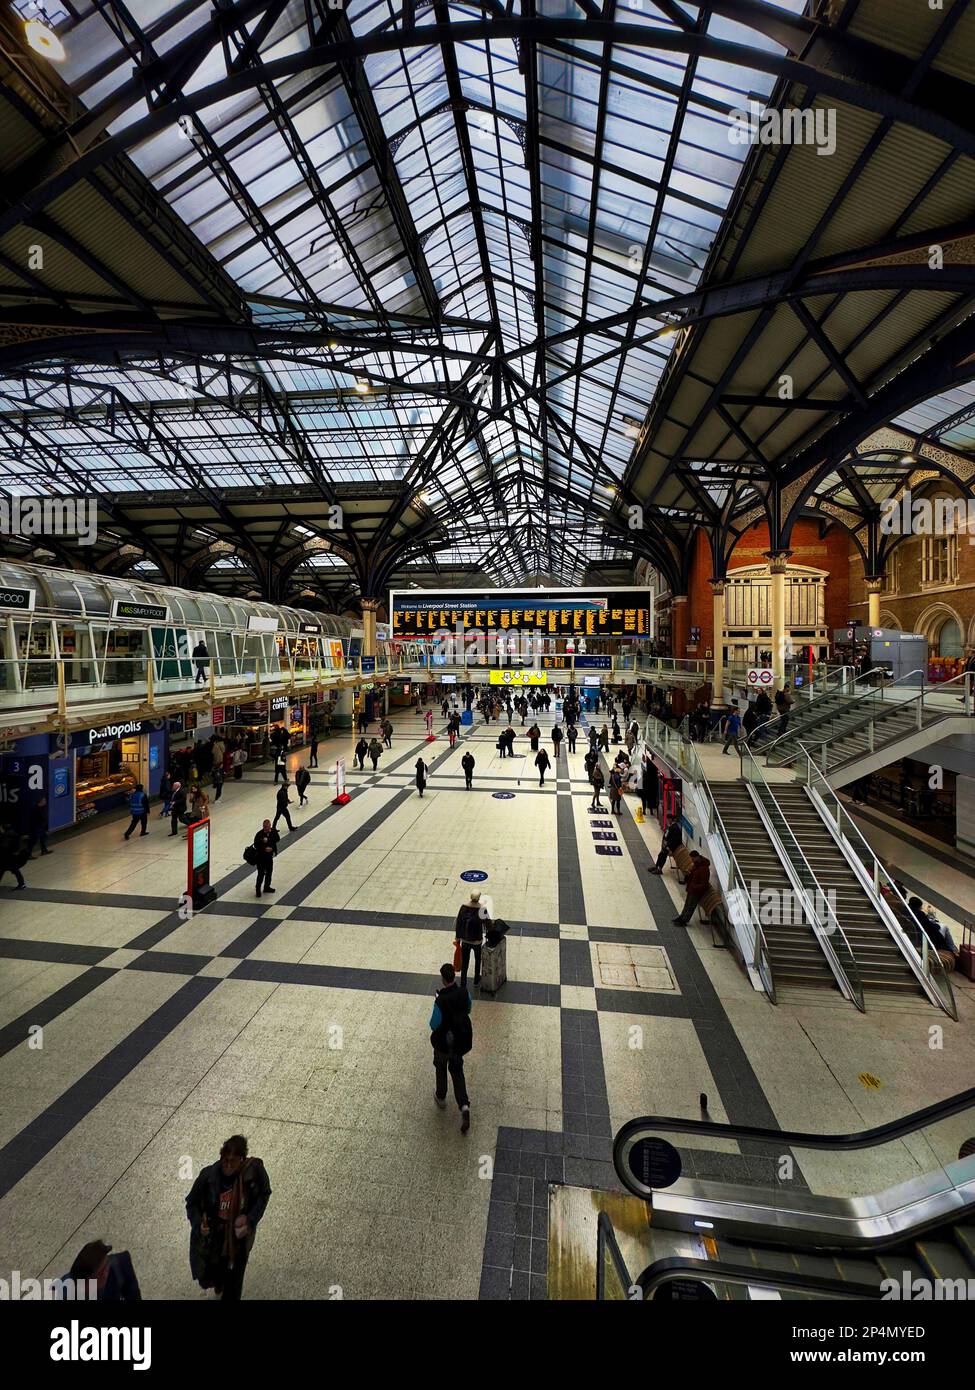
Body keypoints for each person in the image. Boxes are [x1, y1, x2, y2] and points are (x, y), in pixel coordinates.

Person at [186, 1135, 272, 1300]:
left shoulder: (254, 1172)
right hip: (215, 1239)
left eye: (233, 1161)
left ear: (242, 1159)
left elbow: (264, 1193)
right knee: (209, 1276)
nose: (228, 1165)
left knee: (234, 1282)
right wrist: (198, 1224)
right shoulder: (209, 1177)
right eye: (225, 1160)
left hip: (238, 1239)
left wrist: (250, 1219)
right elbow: (191, 1202)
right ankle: (219, 1281)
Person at [430, 963, 472, 1134]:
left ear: (442, 979)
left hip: (442, 1044)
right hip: (459, 1042)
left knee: (440, 1068)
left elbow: (434, 1024)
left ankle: (441, 1097)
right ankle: (463, 1105)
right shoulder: (464, 992)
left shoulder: (440, 1000)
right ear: (453, 976)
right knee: (457, 1071)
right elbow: (468, 1008)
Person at [58, 1239, 141, 1302]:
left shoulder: (120, 1264)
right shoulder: (66, 1289)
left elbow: (133, 1295)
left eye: (107, 1264)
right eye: (100, 1273)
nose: (106, 1273)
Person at [455, 890, 487, 988]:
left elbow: (459, 923)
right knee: (478, 960)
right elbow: (487, 923)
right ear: (479, 898)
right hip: (477, 941)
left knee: (465, 962)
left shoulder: (464, 907)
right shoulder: (481, 909)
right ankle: (476, 980)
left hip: (465, 940)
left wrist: (458, 938)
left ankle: (463, 983)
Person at [674, 850, 710, 925]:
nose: (692, 861)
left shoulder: (704, 869)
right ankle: (682, 917)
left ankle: (684, 920)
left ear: (697, 857)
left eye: (693, 859)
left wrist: (694, 887)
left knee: (691, 906)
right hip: (692, 888)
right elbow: (693, 875)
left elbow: (704, 884)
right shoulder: (696, 865)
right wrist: (688, 873)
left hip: (696, 890)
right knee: (687, 904)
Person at [252, 819, 279, 896]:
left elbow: (277, 839)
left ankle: (267, 887)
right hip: (260, 858)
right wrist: (264, 848)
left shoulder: (273, 832)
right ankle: (258, 889)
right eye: (265, 827)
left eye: (268, 827)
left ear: (270, 826)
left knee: (269, 872)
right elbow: (256, 845)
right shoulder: (259, 834)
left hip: (269, 857)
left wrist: (269, 843)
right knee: (261, 873)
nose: (266, 828)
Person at [0, 822, 27, 890]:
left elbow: (4, 847)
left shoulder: (6, 836)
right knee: (14, 870)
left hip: (10, 858)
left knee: (7, 869)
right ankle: (22, 884)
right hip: (18, 857)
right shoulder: (13, 833)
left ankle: (22, 884)